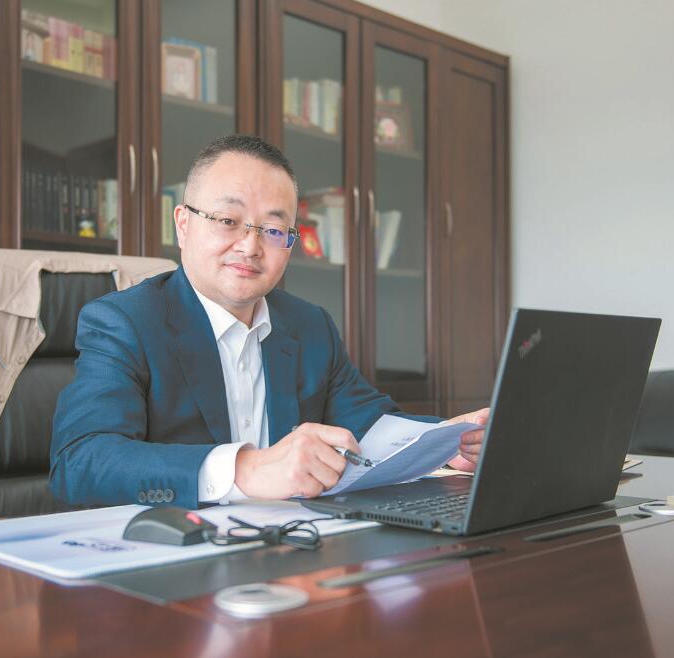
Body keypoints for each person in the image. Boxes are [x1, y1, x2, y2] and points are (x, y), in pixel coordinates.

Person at [50, 135, 488, 511]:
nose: (250, 246)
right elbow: (81, 461)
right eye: (228, 221)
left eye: (274, 230)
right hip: (169, 555)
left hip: (290, 547)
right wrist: (247, 468)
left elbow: (371, 424)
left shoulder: (308, 325)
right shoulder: (125, 321)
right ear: (183, 225)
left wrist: (447, 443)